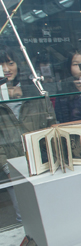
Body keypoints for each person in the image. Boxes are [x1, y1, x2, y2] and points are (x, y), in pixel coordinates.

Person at [0, 47, 56, 222]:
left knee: (51, 211)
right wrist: (7, 168)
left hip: (43, 163)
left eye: (10, 63)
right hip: (13, 167)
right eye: (1, 64)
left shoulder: (35, 90)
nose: (6, 69)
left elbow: (51, 123)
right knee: (24, 216)